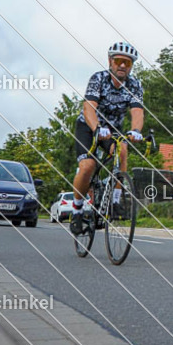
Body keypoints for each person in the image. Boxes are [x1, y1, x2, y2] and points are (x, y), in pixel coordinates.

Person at [71, 42, 145, 235]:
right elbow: (89, 107)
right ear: (110, 62)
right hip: (88, 126)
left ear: (131, 66)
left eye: (127, 63)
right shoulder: (99, 79)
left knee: (122, 150)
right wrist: (96, 128)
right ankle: (77, 209)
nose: (122, 66)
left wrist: (136, 130)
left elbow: (137, 111)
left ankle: (115, 200)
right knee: (88, 167)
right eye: (119, 61)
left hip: (112, 130)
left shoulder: (134, 85)